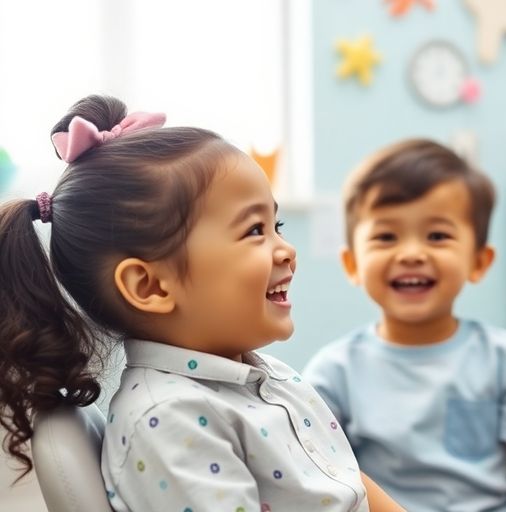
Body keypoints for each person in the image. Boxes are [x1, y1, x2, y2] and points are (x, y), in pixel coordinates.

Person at [0, 95, 403, 511]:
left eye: (276, 225)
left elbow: (342, 480)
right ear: (150, 286)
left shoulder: (266, 376)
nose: (286, 250)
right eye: (254, 231)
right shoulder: (172, 420)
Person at [303, 139, 506, 512]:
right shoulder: (334, 371)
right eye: (385, 237)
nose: (411, 254)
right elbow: (322, 467)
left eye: (437, 236)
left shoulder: (503, 356)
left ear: (479, 261)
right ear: (352, 264)